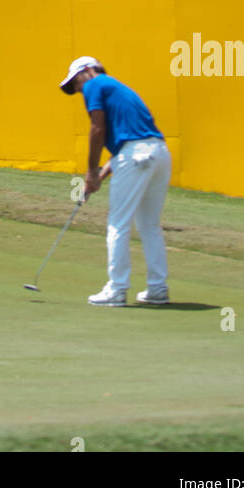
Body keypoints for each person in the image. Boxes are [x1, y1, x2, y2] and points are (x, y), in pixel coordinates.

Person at [59, 55, 171, 307]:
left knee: (118, 225)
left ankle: (117, 289)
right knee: (149, 225)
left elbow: (97, 129)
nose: (77, 89)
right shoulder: (119, 89)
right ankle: (157, 288)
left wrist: (89, 171)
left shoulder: (94, 84)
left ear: (86, 71)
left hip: (136, 155)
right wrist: (99, 176)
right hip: (159, 154)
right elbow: (126, 144)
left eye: (75, 83)